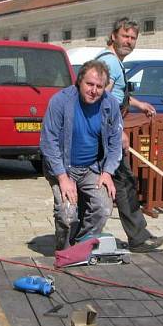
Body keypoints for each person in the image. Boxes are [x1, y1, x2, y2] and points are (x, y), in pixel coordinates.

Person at [96, 18, 163, 253]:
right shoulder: (110, 64)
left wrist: (138, 103)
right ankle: (138, 238)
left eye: (133, 38)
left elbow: (115, 95)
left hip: (106, 135)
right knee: (125, 184)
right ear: (113, 36)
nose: (129, 41)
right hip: (107, 136)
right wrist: (119, 132)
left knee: (121, 184)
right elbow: (101, 101)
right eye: (125, 36)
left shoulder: (112, 63)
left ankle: (137, 235)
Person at [40, 60, 122, 250]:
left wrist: (108, 172)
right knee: (67, 214)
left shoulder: (110, 104)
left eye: (99, 86)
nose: (94, 90)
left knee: (103, 207)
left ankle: (82, 245)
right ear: (79, 81)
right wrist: (62, 178)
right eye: (90, 84)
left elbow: (115, 142)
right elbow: (48, 141)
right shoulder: (60, 101)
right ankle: (63, 248)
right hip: (62, 167)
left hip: (91, 167)